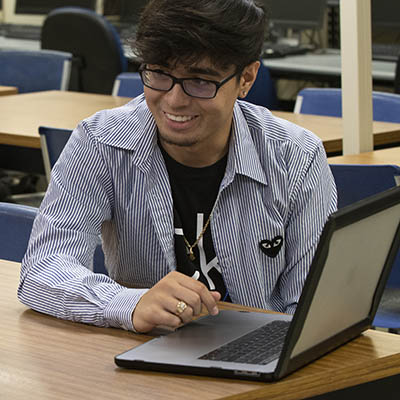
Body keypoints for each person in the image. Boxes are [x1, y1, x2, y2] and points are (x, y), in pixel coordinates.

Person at [18, 0, 337, 333]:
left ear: (246, 78)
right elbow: (43, 268)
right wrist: (131, 304)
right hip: (142, 355)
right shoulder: (100, 142)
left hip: (263, 355)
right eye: (158, 74)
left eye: (200, 81)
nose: (173, 100)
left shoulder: (296, 156)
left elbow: (312, 303)